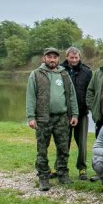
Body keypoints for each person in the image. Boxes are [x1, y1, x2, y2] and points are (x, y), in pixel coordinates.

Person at [26, 47, 79, 190]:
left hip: (62, 118)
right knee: (42, 149)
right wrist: (31, 117)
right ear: (44, 58)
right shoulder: (36, 74)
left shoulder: (64, 74)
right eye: (49, 57)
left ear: (58, 59)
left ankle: (62, 173)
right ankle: (43, 176)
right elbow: (31, 97)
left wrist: (74, 114)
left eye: (55, 57)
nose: (52, 59)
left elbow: (71, 96)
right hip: (43, 118)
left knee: (63, 148)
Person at [61, 46, 92, 180]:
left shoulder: (87, 72)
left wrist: (88, 107)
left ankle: (82, 168)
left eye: (76, 57)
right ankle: (62, 167)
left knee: (82, 143)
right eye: (71, 57)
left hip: (82, 113)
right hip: (64, 113)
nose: (74, 60)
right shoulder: (60, 71)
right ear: (67, 57)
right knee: (63, 141)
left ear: (79, 57)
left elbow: (91, 92)